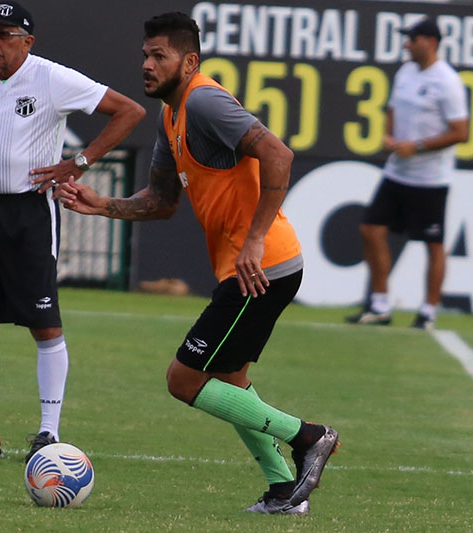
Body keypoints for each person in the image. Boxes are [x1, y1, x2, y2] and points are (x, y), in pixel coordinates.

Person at [59, 12, 338, 515]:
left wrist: (253, 241)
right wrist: (103, 205)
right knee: (229, 380)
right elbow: (162, 201)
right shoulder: (172, 114)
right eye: (145, 54)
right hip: (258, 266)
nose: (146, 64)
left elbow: (279, 154)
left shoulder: (203, 100)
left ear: (189, 61)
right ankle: (283, 491)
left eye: (158, 55)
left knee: (183, 380)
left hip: (261, 266)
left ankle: (308, 437)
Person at [0, 1, 145, 462]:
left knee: (45, 324)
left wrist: (78, 162)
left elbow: (128, 112)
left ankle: (49, 431)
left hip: (30, 212)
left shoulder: (51, 78)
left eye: (3, 35)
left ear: (27, 40)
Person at [346, 18, 469, 330]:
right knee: (370, 229)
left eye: (411, 40)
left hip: (430, 179)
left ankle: (428, 310)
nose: (406, 45)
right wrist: (390, 138)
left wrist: (417, 146)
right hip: (397, 172)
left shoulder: (448, 81)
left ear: (429, 41)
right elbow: (392, 110)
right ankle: (380, 305)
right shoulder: (405, 72)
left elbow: (460, 132)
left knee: (433, 244)